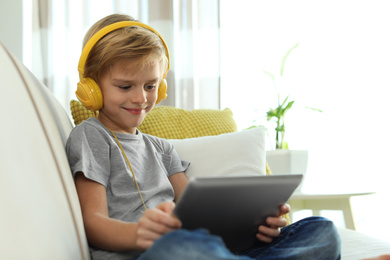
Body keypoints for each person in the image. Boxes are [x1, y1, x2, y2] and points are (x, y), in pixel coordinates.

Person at [66, 13, 341, 260]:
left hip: (203, 248)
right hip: (154, 253)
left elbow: (196, 216)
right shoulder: (91, 136)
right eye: (125, 86)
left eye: (151, 86)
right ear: (92, 87)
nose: (141, 98)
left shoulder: (162, 148)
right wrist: (138, 233)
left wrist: (255, 227)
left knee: (321, 230)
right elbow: (93, 221)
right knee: (183, 248)